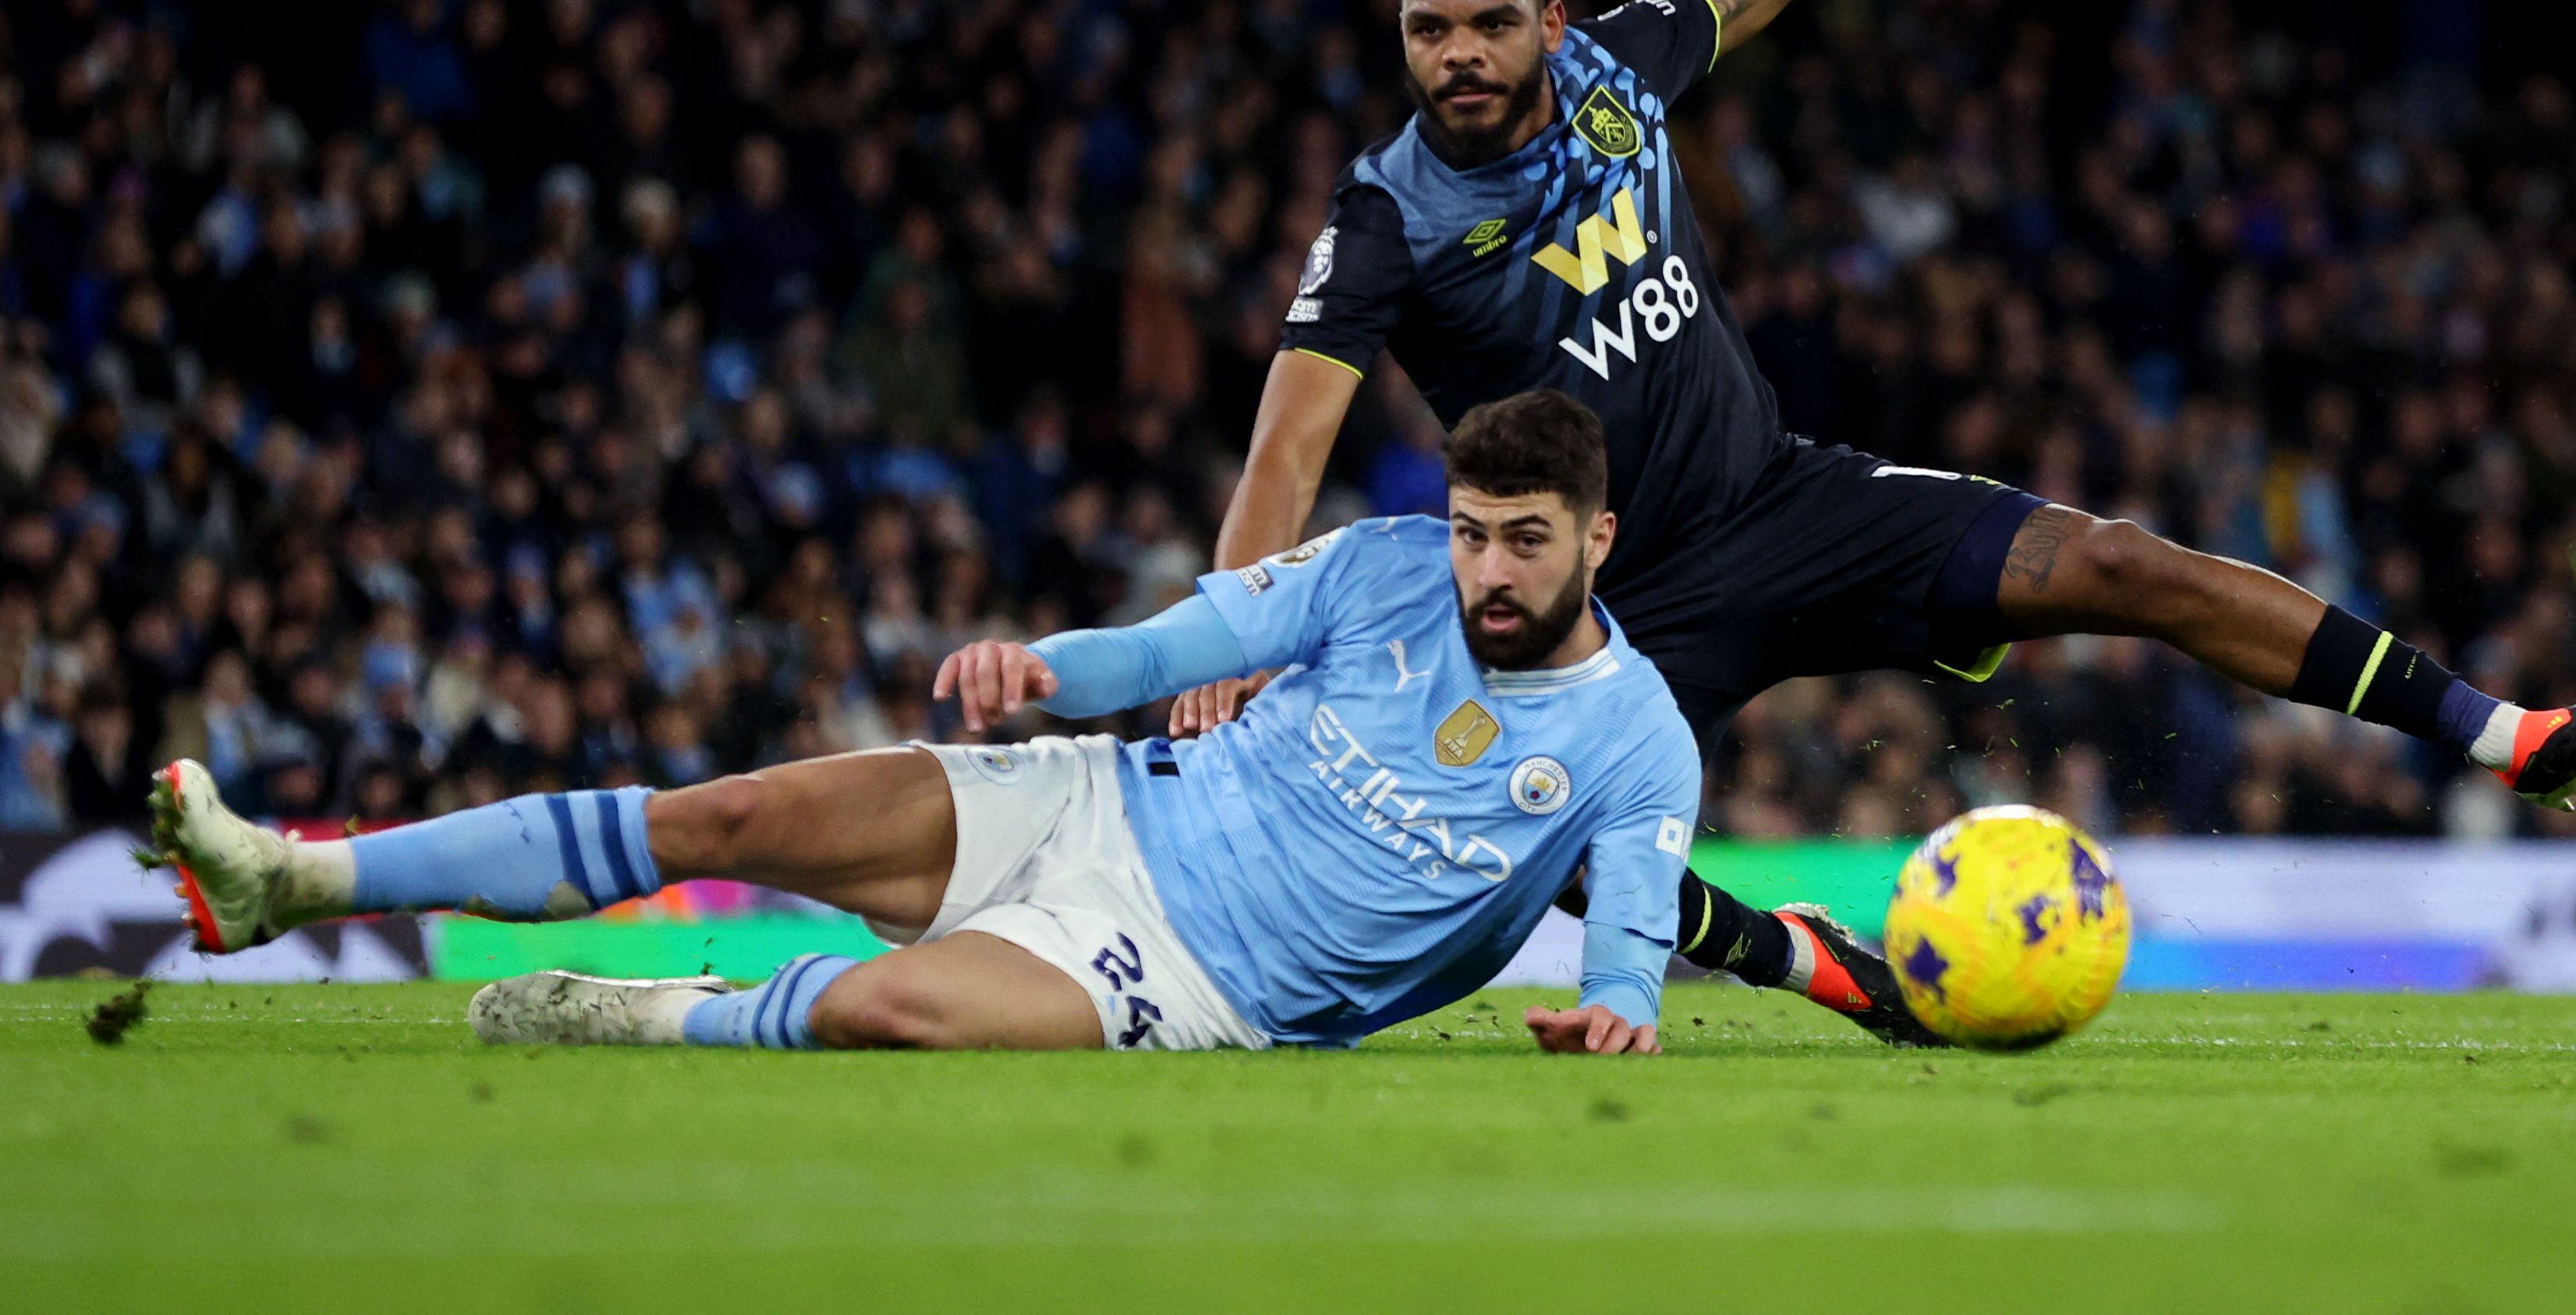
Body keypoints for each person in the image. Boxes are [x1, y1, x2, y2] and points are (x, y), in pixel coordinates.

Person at [1178, 0, 2576, 1044]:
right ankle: (1806, 961)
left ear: (1551, 24)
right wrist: (1225, 636)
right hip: (1613, 603)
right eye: (1427, 29)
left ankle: (2507, 738)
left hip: (1781, 500)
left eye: (1487, 24)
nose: (1456, 55)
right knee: (1543, 836)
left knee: (2117, 560)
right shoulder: (1383, 221)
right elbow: (1286, 449)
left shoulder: (1619, 74)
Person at [151, 392, 1698, 1056]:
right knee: (727, 815)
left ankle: (643, 1012)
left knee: (882, 1010)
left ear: (1597, 538)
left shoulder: (1636, 739)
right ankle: (287, 875)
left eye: (1523, 542)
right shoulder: (1381, 565)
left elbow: (1628, 937)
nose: (1485, 571)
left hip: (1195, 978)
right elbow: (1165, 644)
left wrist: (1614, 1006)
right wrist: (1040, 667)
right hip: (1105, 795)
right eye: (1471, 532)